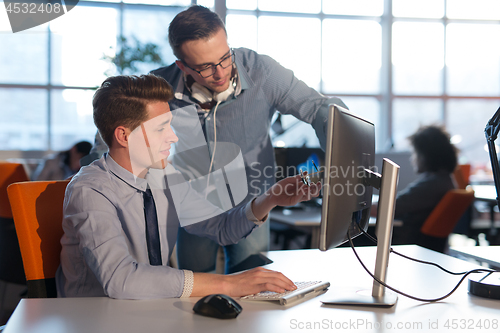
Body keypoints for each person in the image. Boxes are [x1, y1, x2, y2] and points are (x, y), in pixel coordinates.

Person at [55, 74, 321, 299]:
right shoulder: (90, 190)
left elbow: (221, 227)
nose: (173, 136)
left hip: (149, 311)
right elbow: (121, 279)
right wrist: (228, 284)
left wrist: (271, 198)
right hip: (94, 318)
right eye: (161, 128)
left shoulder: (165, 177)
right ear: (124, 135)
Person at [146, 5, 347, 273]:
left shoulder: (263, 72)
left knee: (252, 287)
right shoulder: (161, 86)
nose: (220, 73)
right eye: (205, 67)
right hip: (194, 206)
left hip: (253, 204)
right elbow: (118, 132)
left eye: (225, 57)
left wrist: (344, 142)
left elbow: (316, 107)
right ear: (182, 66)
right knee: (194, 289)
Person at [391, 125, 458, 252]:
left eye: (414, 153)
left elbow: (386, 209)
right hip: (420, 246)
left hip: (406, 245)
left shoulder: (432, 185)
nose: (412, 159)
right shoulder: (444, 181)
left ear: (425, 156)